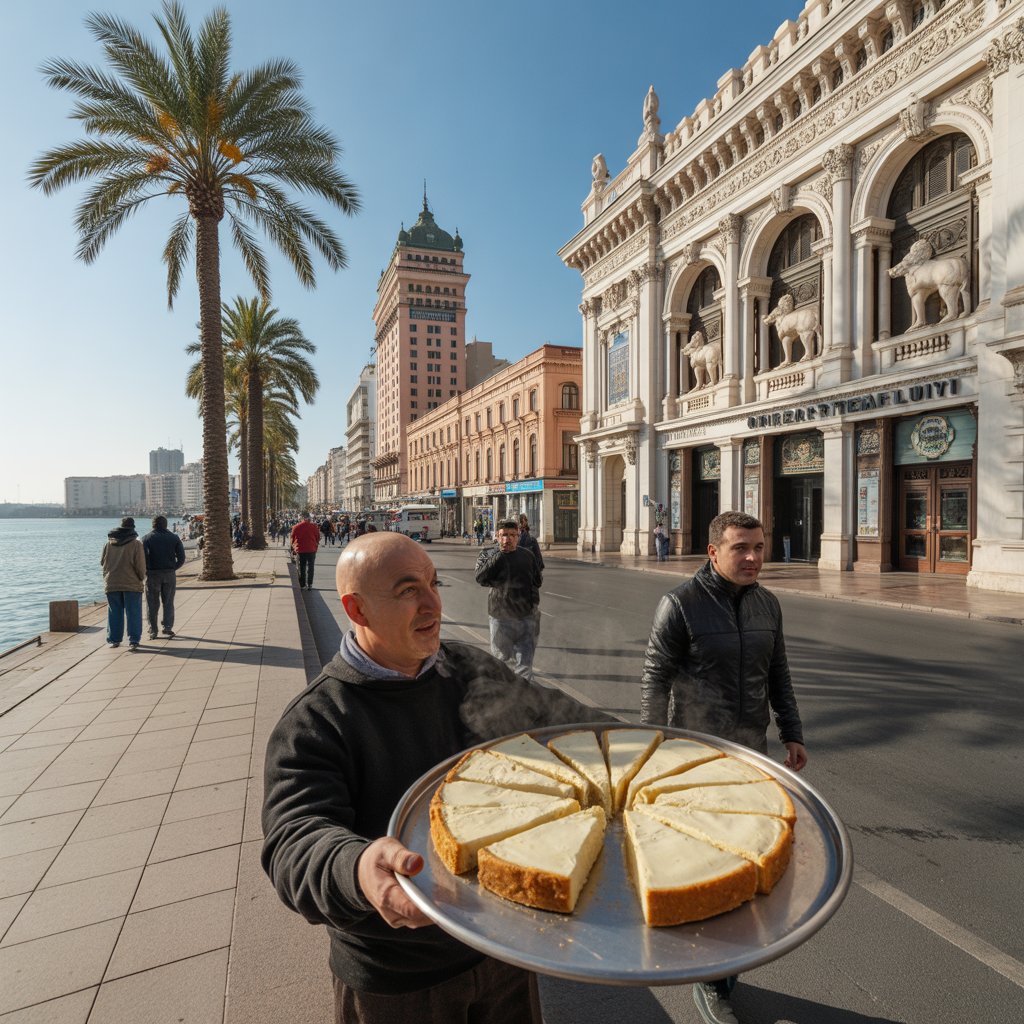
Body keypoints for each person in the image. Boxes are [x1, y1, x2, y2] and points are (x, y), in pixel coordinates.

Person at [261, 532, 608, 1024]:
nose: (432, 603)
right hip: (397, 980)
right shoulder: (317, 719)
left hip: (500, 950)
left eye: (433, 582)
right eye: (407, 591)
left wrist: (644, 743)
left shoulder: (466, 667)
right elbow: (294, 841)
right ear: (357, 611)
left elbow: (558, 720)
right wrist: (358, 867)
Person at [640, 510, 807, 1024]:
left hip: (750, 752)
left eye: (759, 546)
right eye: (741, 547)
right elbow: (655, 678)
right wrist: (652, 748)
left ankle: (719, 972)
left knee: (742, 862)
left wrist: (792, 730)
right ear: (713, 552)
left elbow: (777, 670)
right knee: (704, 865)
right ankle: (710, 978)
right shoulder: (681, 604)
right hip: (695, 756)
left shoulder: (767, 604)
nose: (754, 557)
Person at [474, 519, 542, 681]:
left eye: (512, 535)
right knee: (502, 661)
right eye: (504, 535)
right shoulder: (489, 553)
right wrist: (499, 556)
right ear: (497, 536)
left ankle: (522, 698)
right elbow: (480, 577)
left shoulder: (527, 555)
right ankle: (505, 695)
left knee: (525, 665)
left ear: (518, 537)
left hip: (527, 617)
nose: (508, 539)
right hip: (500, 617)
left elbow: (537, 580)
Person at [100, 516, 146, 650]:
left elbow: (102, 562)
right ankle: (133, 640)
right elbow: (140, 566)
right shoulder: (136, 544)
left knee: (114, 612)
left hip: (112, 582)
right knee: (133, 612)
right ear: (133, 528)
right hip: (131, 583)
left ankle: (114, 640)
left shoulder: (108, 543)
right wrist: (140, 578)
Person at [142, 514, 186, 640]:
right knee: (168, 602)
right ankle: (167, 627)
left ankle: (153, 630)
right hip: (169, 574)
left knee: (152, 604)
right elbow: (182, 558)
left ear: (153, 525)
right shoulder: (174, 538)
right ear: (166, 524)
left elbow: (142, 559)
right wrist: (173, 568)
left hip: (153, 575)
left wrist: (146, 571)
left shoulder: (146, 538)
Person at [290, 511, 322, 591]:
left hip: (301, 550)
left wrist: (293, 549)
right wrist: (315, 545)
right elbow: (318, 537)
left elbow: (292, 539)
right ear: (308, 518)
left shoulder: (296, 527)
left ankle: (303, 585)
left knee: (302, 567)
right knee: (311, 567)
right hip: (311, 549)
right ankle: (310, 584)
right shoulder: (314, 527)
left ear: (301, 518)